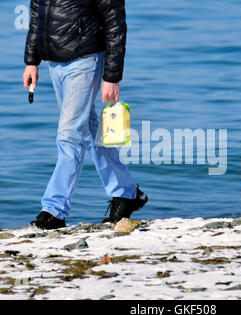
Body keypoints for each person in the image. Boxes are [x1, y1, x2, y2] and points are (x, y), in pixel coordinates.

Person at [22, 0, 147, 230]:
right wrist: (31, 61)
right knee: (91, 132)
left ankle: (54, 209)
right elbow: (36, 15)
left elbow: (115, 22)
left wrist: (112, 77)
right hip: (55, 63)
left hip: (85, 59)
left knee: (69, 136)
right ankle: (127, 192)